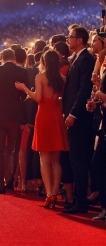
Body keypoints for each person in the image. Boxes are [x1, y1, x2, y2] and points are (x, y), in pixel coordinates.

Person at [15, 50, 68, 208]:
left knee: (44, 159)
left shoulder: (40, 77)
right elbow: (61, 100)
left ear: (43, 61)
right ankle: (55, 192)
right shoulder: (63, 79)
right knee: (56, 160)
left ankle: (50, 193)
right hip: (57, 116)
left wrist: (25, 89)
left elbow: (38, 98)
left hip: (44, 115)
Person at [62, 26, 95, 213]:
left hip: (80, 118)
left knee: (79, 159)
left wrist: (73, 113)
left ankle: (81, 201)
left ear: (80, 40)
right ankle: (78, 199)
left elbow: (83, 90)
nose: (68, 39)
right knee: (76, 159)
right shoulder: (77, 58)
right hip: (74, 115)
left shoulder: (85, 59)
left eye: (71, 37)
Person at [0, 48, 29, 194]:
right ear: (14, 58)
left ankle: (0, 185)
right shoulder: (22, 72)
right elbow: (25, 96)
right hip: (14, 116)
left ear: (2, 58)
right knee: (11, 150)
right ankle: (10, 180)